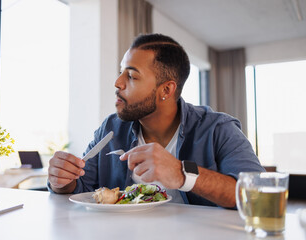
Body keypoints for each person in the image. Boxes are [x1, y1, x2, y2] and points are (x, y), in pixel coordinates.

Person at [48, 33, 265, 208]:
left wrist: (183, 173)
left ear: (166, 89)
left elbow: (258, 194)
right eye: (121, 72)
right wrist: (63, 181)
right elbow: (81, 188)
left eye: (132, 76)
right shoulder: (110, 128)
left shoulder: (217, 129)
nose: (118, 82)